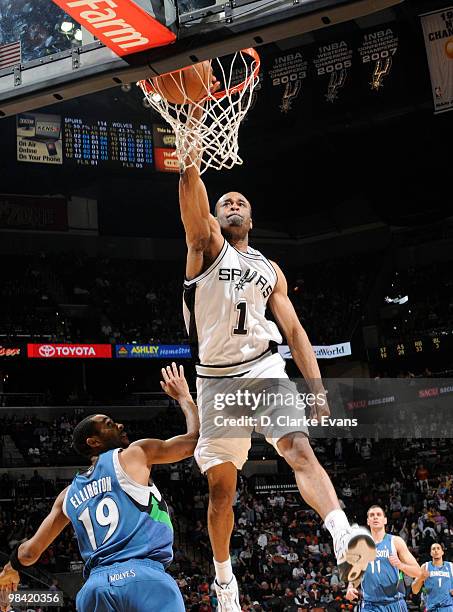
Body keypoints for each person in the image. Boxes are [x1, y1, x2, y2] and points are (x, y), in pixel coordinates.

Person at [179, 105, 376, 610]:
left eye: (241, 200)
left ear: (252, 216)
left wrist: (315, 389)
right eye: (225, 202)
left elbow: (293, 329)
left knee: (298, 448)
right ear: (216, 216)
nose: (233, 205)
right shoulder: (205, 248)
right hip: (217, 380)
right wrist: (190, 159)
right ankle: (225, 578)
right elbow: (193, 209)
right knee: (222, 493)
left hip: (265, 368)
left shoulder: (270, 268)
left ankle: (340, 532)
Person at [0, 363, 198, 612]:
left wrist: (10, 567)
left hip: (95, 588)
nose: (120, 425)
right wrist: (184, 397)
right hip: (145, 579)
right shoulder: (134, 454)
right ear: (92, 441)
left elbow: (29, 553)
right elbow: (193, 442)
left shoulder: (67, 495)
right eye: (109, 424)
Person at [346, 505, 421, 611]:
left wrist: (400, 565)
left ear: (385, 520)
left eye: (378, 514)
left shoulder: (395, 541)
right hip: (370, 605)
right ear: (368, 521)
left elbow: (418, 572)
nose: (375, 517)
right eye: (372, 515)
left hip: (394, 603)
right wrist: (350, 587)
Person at [411, 542, 453, 612]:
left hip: (448, 608)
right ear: (430, 553)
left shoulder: (450, 566)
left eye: (438, 548)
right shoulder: (425, 567)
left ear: (442, 552)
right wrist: (421, 578)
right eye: (433, 549)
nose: (436, 550)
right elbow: (414, 590)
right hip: (431, 608)